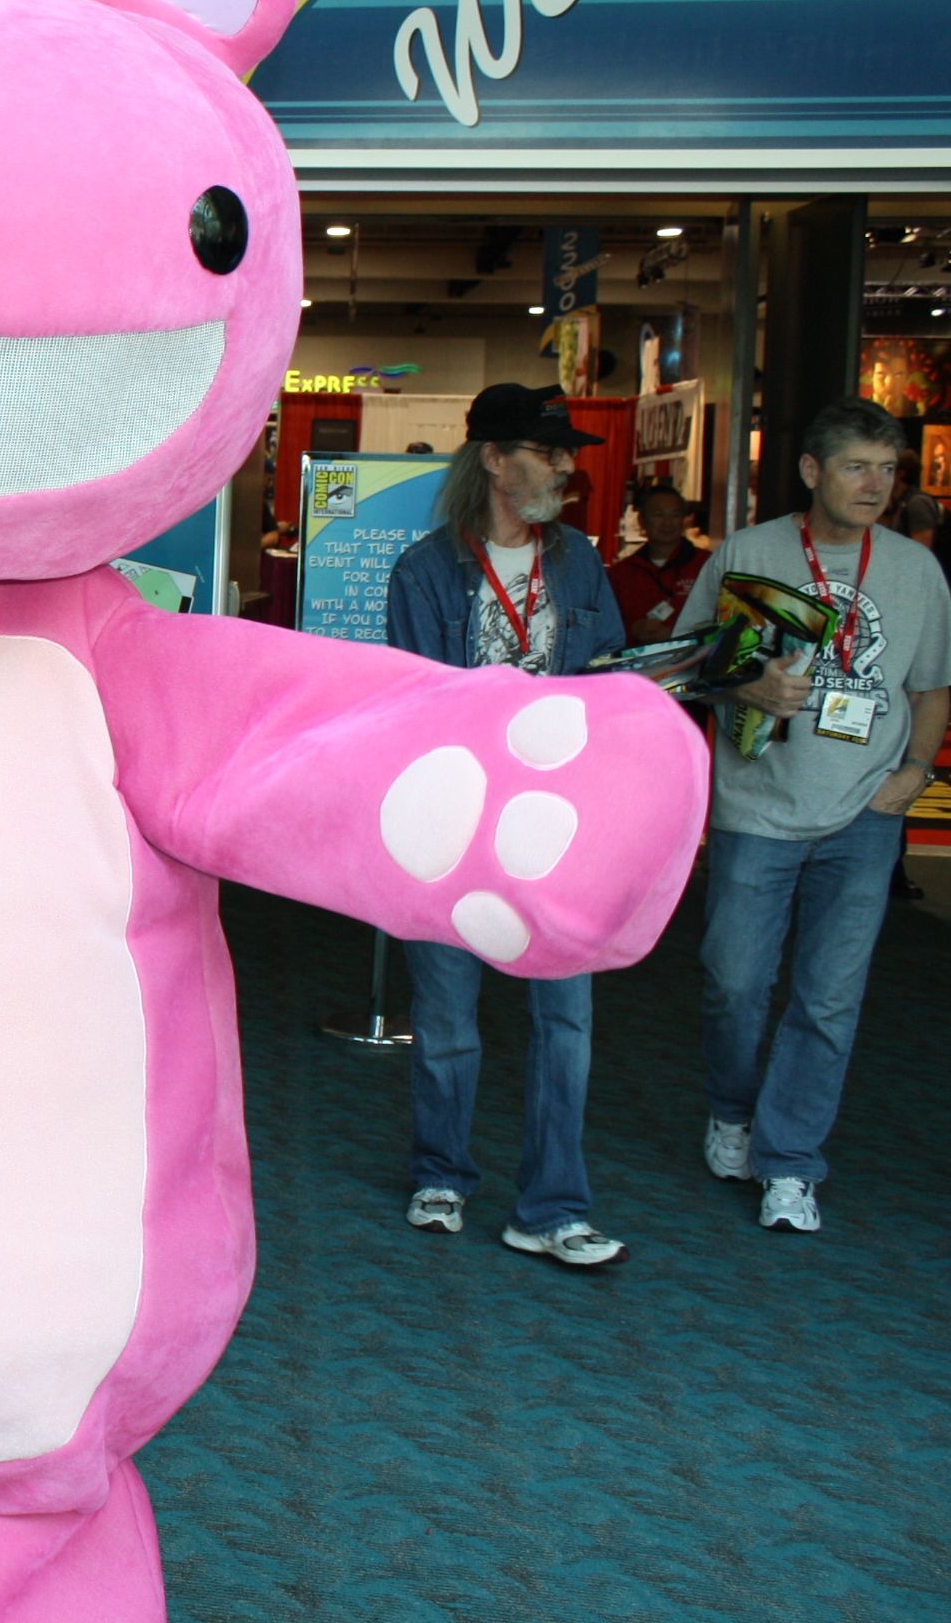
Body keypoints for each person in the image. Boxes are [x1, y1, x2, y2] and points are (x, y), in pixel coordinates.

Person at [675, 397, 950, 1233]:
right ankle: (732, 1108)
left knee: (829, 998)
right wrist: (747, 685)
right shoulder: (750, 553)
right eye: (857, 467)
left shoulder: (913, 568)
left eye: (888, 470)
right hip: (756, 805)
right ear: (810, 472)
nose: (876, 485)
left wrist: (913, 773)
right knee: (735, 982)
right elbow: (686, 664)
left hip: (864, 811)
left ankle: (790, 1161)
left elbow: (930, 689)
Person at [385, 384, 631, 1268]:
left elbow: (608, 678)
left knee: (565, 1020)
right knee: (448, 1016)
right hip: (454, 825)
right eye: (546, 450)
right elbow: (414, 708)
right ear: (492, 458)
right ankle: (441, 1171)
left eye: (568, 453)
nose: (566, 467)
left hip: (559, 829)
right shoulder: (424, 569)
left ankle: (553, 1204)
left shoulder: (578, 563)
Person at [609, 483, 711, 644]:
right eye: (658, 515)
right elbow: (603, 628)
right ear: (642, 521)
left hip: (692, 663)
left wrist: (678, 634)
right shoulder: (620, 574)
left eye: (675, 515)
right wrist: (632, 630)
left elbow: (722, 622)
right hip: (636, 663)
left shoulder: (708, 565)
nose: (668, 523)